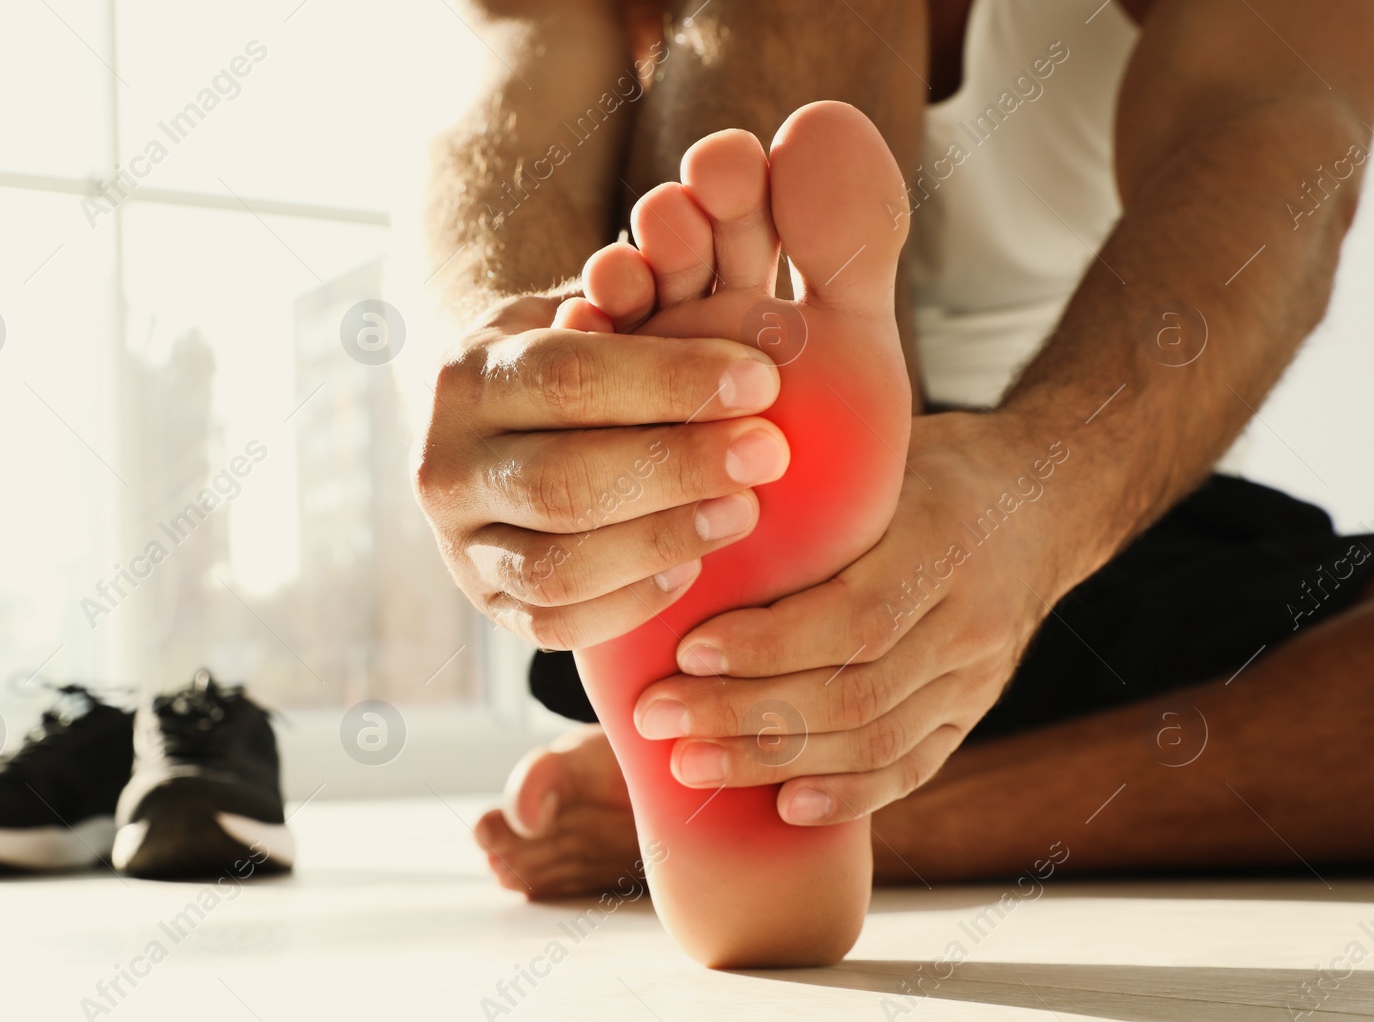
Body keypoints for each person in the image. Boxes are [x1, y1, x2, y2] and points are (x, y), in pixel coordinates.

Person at [410, 0, 1374, 944]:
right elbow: (505, 99)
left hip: (1105, 510)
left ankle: (808, 790)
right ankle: (794, 687)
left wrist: (1040, 500)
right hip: (670, 518)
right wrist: (523, 366)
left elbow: (1288, 135)